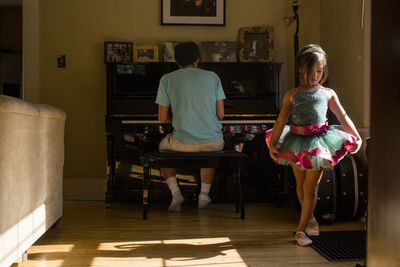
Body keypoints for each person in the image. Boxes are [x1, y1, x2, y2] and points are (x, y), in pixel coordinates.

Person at [265, 44, 362, 246]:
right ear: (301, 68)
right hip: (295, 143)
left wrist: (356, 136)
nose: (315, 75)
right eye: (311, 71)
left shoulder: (328, 94)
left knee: (311, 189)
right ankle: (310, 219)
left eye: (319, 71)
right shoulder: (291, 94)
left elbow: (342, 116)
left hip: (318, 145)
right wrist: (272, 144)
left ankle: (300, 231)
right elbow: (280, 121)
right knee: (300, 185)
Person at [155, 41, 225, 212]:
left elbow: (162, 118)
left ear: (177, 61)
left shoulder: (167, 79)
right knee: (210, 150)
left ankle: (176, 193)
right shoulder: (213, 76)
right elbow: (221, 115)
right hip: (212, 141)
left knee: (162, 149)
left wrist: (180, 118)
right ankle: (203, 195)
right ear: (197, 59)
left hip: (182, 143)